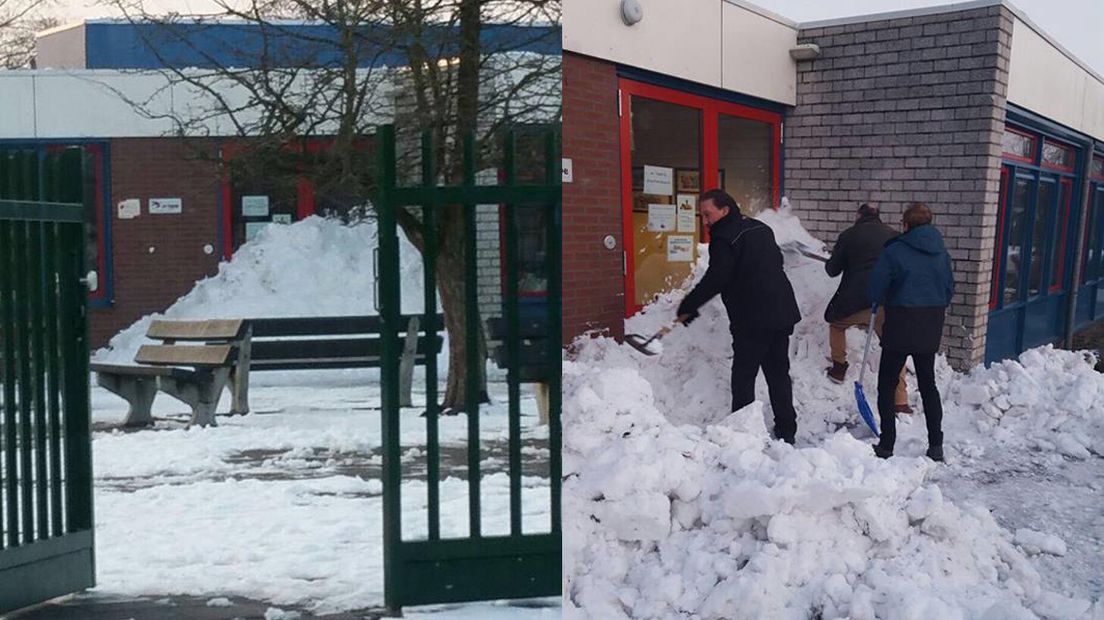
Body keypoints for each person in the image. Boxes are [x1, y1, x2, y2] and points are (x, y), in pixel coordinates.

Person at [676, 189, 801, 444]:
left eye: (708, 214)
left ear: (725, 210)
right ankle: (787, 431)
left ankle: (742, 435)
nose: (705, 220)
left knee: (744, 375)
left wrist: (689, 304)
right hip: (781, 312)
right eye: (702, 215)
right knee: (778, 372)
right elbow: (776, 260)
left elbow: (717, 278)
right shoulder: (760, 228)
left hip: (753, 319)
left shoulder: (724, 238)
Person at [867, 203, 954, 461]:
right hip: (930, 323)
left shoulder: (894, 251)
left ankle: (887, 445)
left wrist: (880, 298)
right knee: (929, 385)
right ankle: (936, 445)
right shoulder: (942, 253)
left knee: (887, 384)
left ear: (906, 225)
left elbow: (876, 289)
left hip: (901, 322)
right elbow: (949, 290)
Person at [823, 204, 911, 413]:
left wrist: (842, 260)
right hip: (885, 302)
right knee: (894, 347)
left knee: (835, 325)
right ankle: (900, 399)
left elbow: (832, 270)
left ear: (858, 216)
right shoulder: (894, 236)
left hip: (853, 301)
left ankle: (838, 368)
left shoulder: (849, 235)